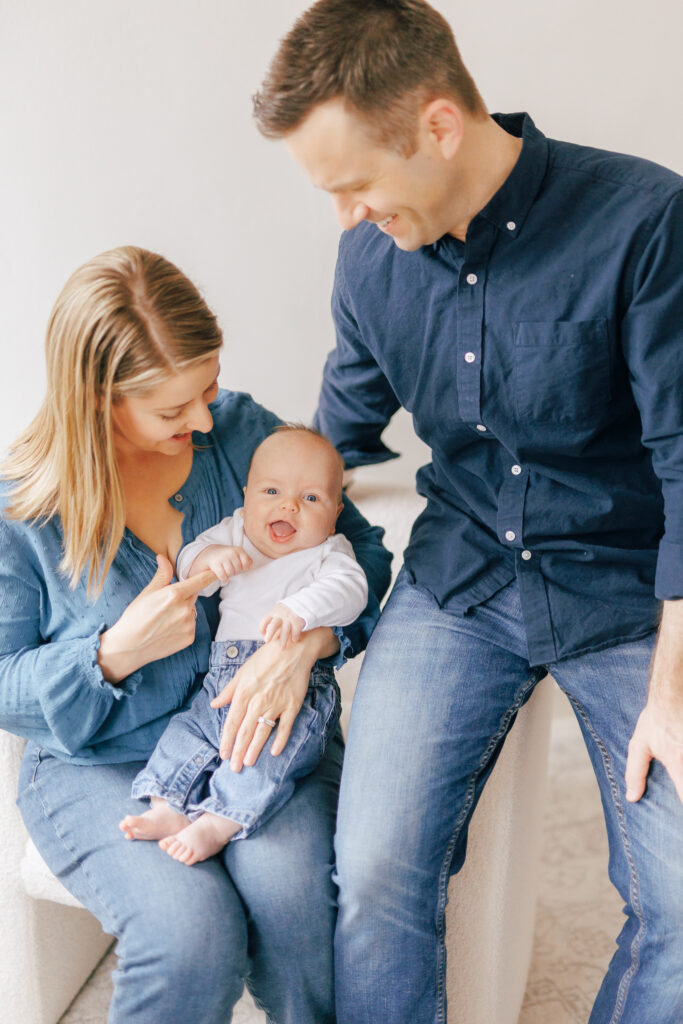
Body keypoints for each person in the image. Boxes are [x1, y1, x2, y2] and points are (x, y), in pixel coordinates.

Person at [252, 1, 683, 1022]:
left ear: (437, 126)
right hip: (458, 581)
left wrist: (671, 689)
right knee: (372, 872)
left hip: (626, 591)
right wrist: (286, 605)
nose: (344, 216)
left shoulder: (644, 220)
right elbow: (330, 448)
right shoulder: (367, 259)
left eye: (353, 183)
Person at [0, 245, 391, 1024]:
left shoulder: (244, 432)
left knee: (293, 901)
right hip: (99, 760)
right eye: (174, 410)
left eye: (207, 388)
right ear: (98, 399)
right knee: (190, 937)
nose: (205, 419)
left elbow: (361, 555)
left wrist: (307, 644)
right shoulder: (23, 509)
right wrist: (111, 654)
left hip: (259, 734)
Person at [120, 425, 368, 866]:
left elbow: (353, 592)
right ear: (247, 495)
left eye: (311, 498)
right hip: (221, 678)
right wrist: (210, 561)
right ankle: (167, 806)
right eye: (271, 490)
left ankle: (220, 820)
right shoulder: (234, 532)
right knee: (188, 733)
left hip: (298, 687)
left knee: (265, 756)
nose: (288, 505)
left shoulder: (329, 553)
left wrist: (300, 610)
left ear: (335, 512)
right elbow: (188, 556)